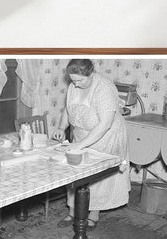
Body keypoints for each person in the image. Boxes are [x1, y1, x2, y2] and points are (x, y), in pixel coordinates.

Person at [52, 59, 130, 229]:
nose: (76, 85)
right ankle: (72, 212)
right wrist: (61, 127)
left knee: (96, 178)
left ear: (91, 73)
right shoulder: (74, 86)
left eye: (80, 80)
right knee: (75, 174)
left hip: (106, 137)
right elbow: (68, 109)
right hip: (82, 135)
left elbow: (105, 124)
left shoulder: (104, 88)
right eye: (73, 80)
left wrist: (80, 146)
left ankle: (93, 214)